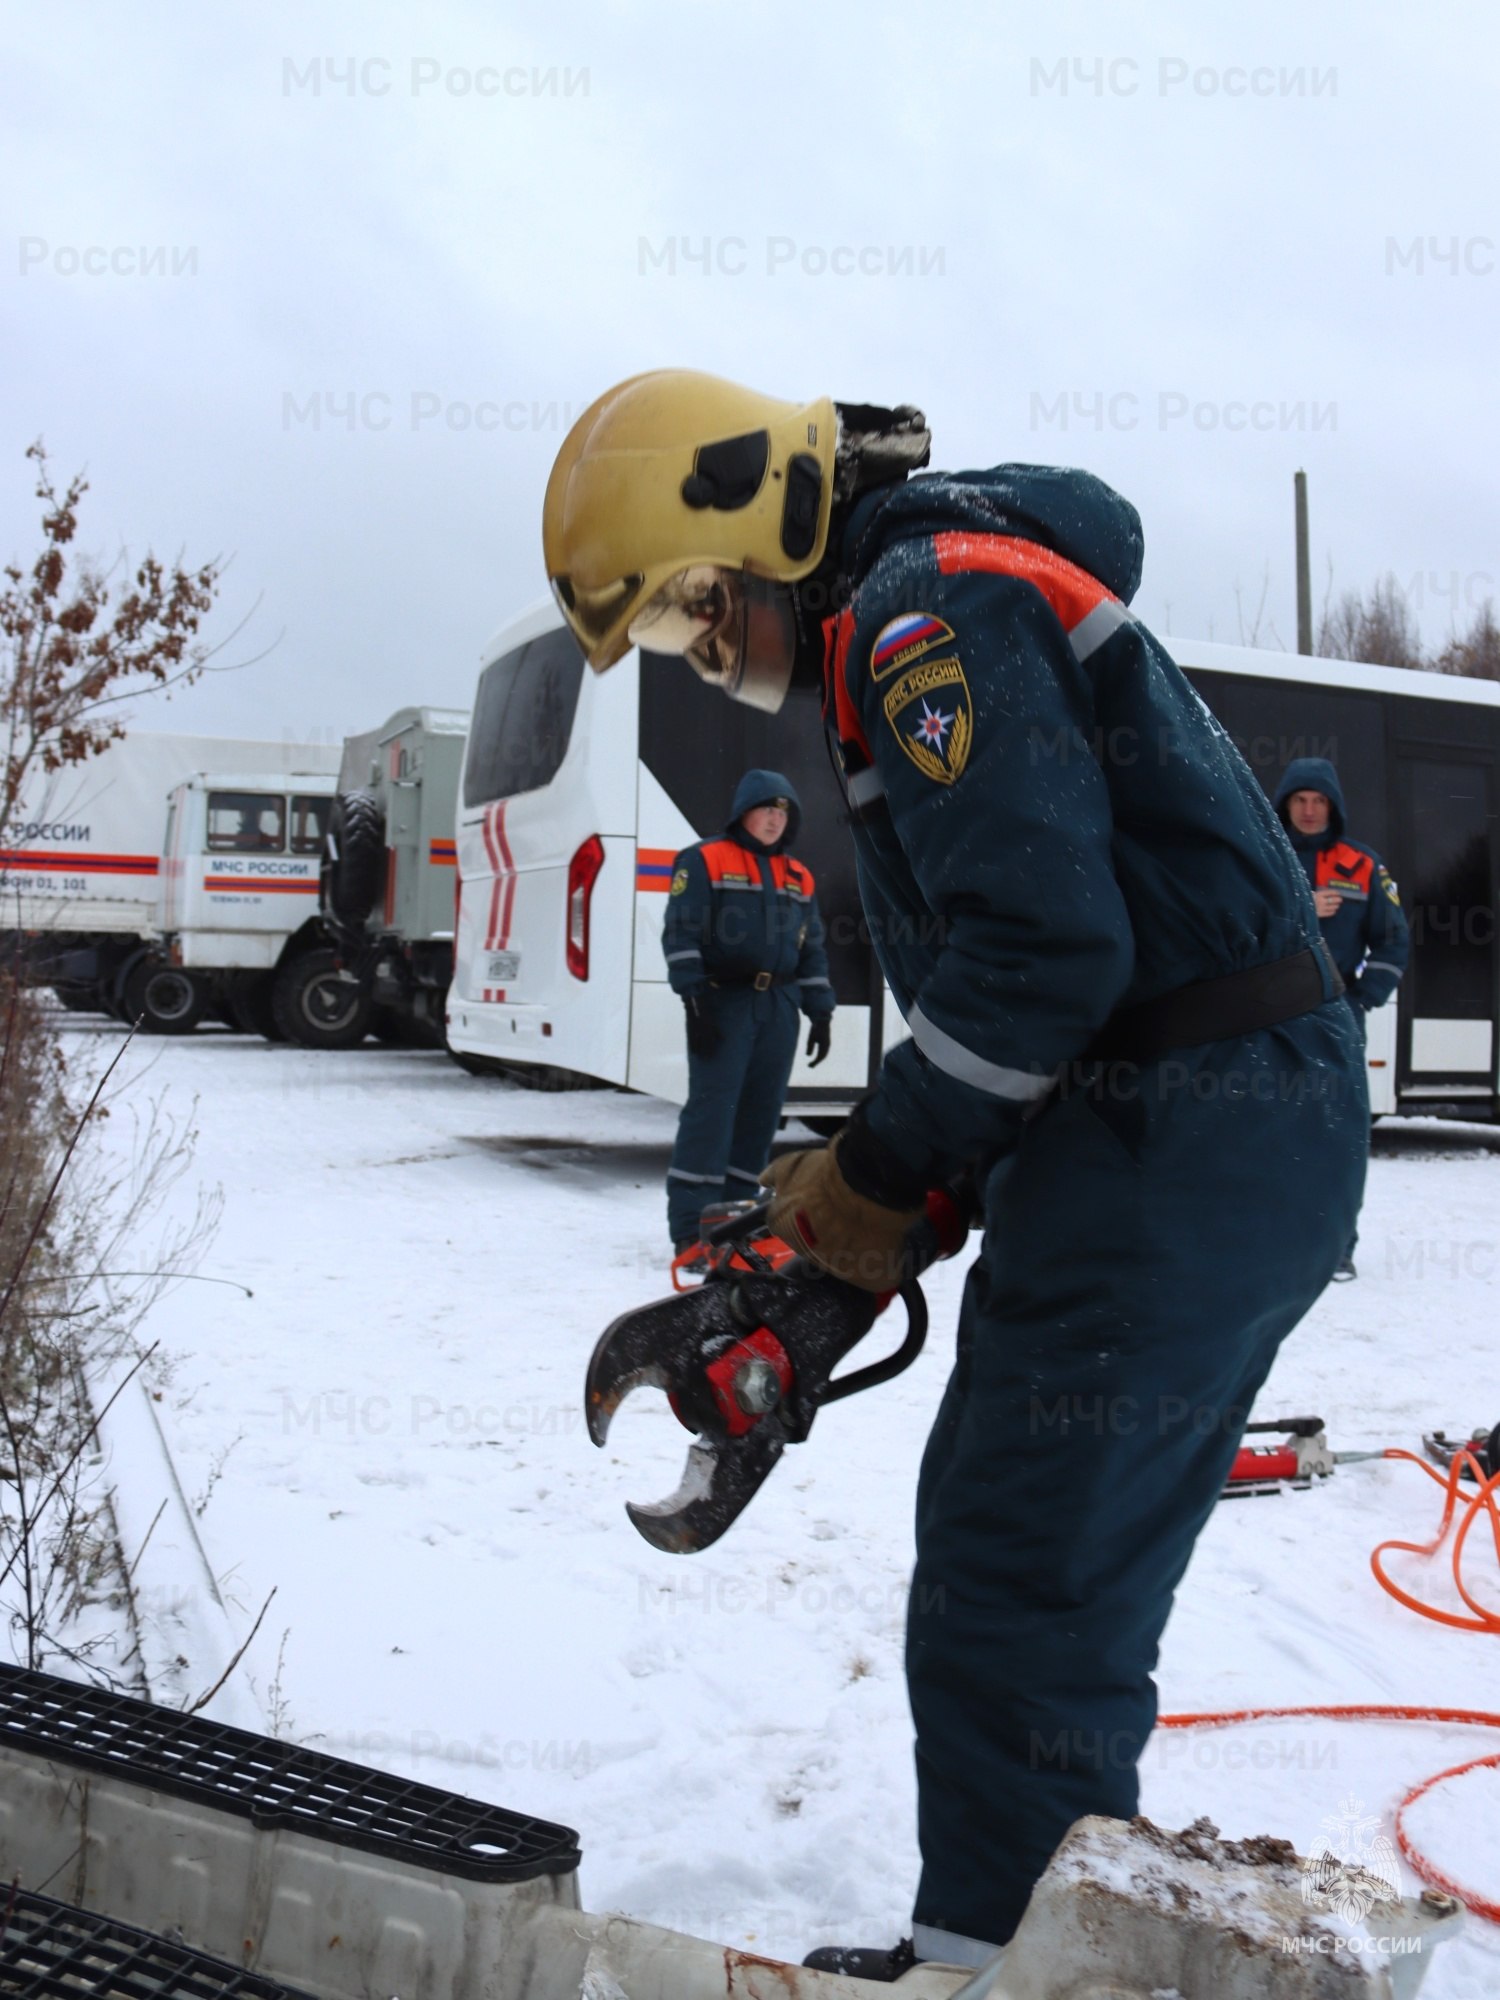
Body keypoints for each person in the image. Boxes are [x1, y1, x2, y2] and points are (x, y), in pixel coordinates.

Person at [543, 372, 1367, 1967]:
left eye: (703, 606)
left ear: (776, 523)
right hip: (1191, 1120)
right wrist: (861, 1232)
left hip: (1184, 1125)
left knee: (1017, 1569)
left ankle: (994, 1962)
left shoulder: (922, 615)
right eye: (672, 639)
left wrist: (869, 1174)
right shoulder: (922, 610)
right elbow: (1045, 1007)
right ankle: (1004, 1945)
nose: (712, 656)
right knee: (1040, 1561)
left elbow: (1047, 960)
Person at [662, 769, 835, 1261]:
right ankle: (691, 1232)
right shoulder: (703, 860)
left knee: (761, 1117)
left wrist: (820, 1011)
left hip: (779, 1007)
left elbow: (813, 949)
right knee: (712, 1113)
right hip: (725, 1003)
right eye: (767, 810)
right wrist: (694, 999)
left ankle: (735, 1226)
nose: (775, 820)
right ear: (744, 812)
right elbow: (681, 933)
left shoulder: (798, 876)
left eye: (783, 813)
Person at [1274, 756, 1409, 1279]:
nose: (1309, 811)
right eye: (1300, 800)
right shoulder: (1264, 856)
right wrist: (1302, 907)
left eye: (1319, 801)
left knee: (1338, 1137)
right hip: (1268, 1016)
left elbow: (1394, 941)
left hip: (1336, 1017)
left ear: (1333, 806)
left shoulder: (1363, 865)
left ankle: (1337, 1248)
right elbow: (1234, 922)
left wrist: (1361, 1000)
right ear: (1285, 803)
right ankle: (1272, 1240)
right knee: (1268, 1131)